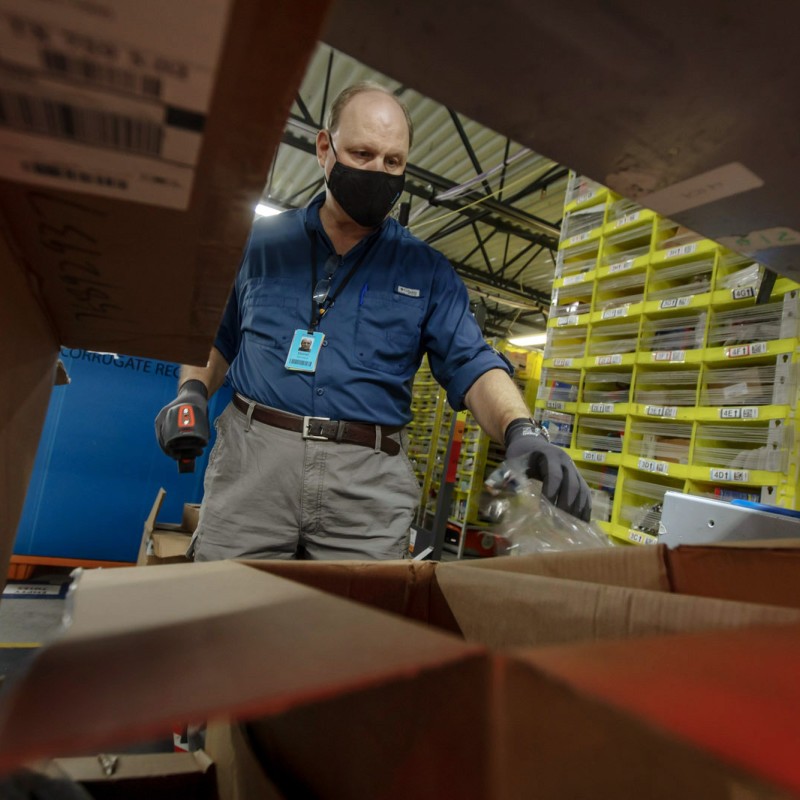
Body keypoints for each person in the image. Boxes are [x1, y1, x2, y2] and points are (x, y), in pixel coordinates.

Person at [155, 81, 591, 561]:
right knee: (227, 620)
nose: (378, 172)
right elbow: (216, 338)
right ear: (325, 149)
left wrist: (521, 429)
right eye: (362, 154)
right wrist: (191, 391)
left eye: (393, 162)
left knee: (356, 627)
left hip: (365, 487)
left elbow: (472, 361)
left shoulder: (427, 272)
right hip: (253, 465)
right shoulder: (257, 244)